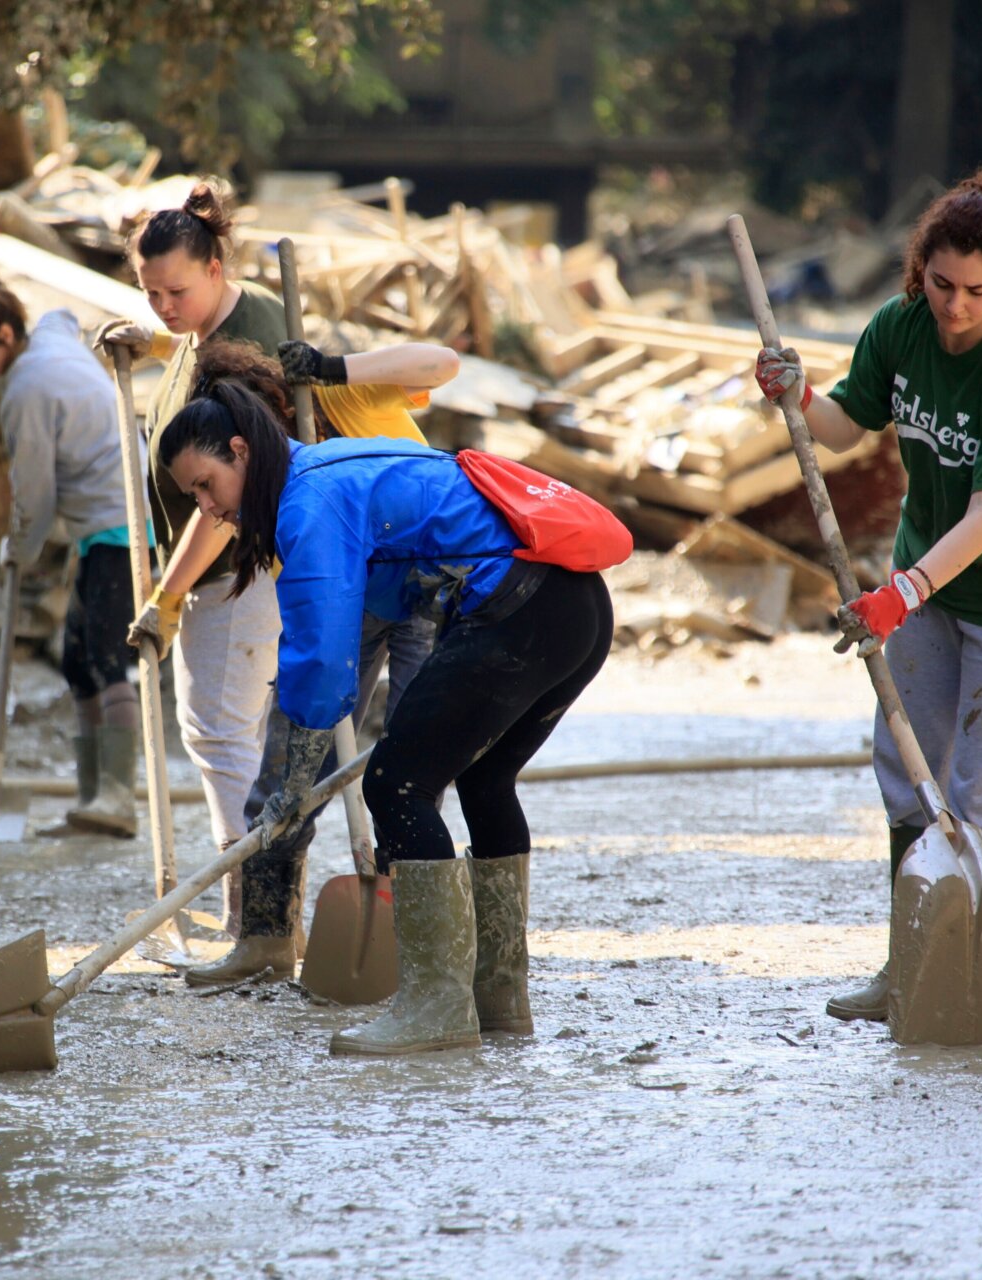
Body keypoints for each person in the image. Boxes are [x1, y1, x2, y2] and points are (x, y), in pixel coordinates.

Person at [156, 382, 616, 1056]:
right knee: (484, 784)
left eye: (206, 484)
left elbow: (321, 653)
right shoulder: (327, 468)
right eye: (192, 496)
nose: (208, 506)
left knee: (397, 785)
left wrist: (293, 783)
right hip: (576, 608)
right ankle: (498, 999)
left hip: (520, 607)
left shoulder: (307, 503)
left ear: (239, 451)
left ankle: (435, 1007)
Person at [754, 171, 982, 1022]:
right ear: (921, 270)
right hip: (925, 586)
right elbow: (843, 424)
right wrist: (796, 393)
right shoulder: (898, 330)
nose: (955, 306)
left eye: (977, 291)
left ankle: (975, 978)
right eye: (941, 285)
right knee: (909, 778)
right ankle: (909, 969)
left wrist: (902, 591)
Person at [172, 336, 461, 985]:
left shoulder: (309, 474)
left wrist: (335, 368)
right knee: (282, 765)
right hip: (364, 579)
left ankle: (408, 953)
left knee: (411, 771)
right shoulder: (277, 485)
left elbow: (442, 361)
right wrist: (291, 785)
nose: (210, 505)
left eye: (207, 487)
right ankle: (265, 941)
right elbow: (314, 661)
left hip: (434, 582)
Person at [96, 181, 288, 932]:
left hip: (240, 570)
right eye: (149, 294)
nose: (163, 307)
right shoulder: (208, 331)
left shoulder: (246, 348)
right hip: (231, 572)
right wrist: (149, 346)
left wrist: (167, 596)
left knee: (223, 736)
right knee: (231, 737)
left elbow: (229, 500)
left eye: (175, 290)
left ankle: (255, 916)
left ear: (214, 267)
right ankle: (260, 911)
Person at [0, 269, 140, 837]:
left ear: (4, 335)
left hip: (120, 525)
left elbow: (35, 495)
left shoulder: (26, 391)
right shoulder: (50, 339)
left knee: (104, 658)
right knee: (78, 662)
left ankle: (118, 801)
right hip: (105, 525)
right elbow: (62, 316)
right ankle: (92, 801)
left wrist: (18, 551)